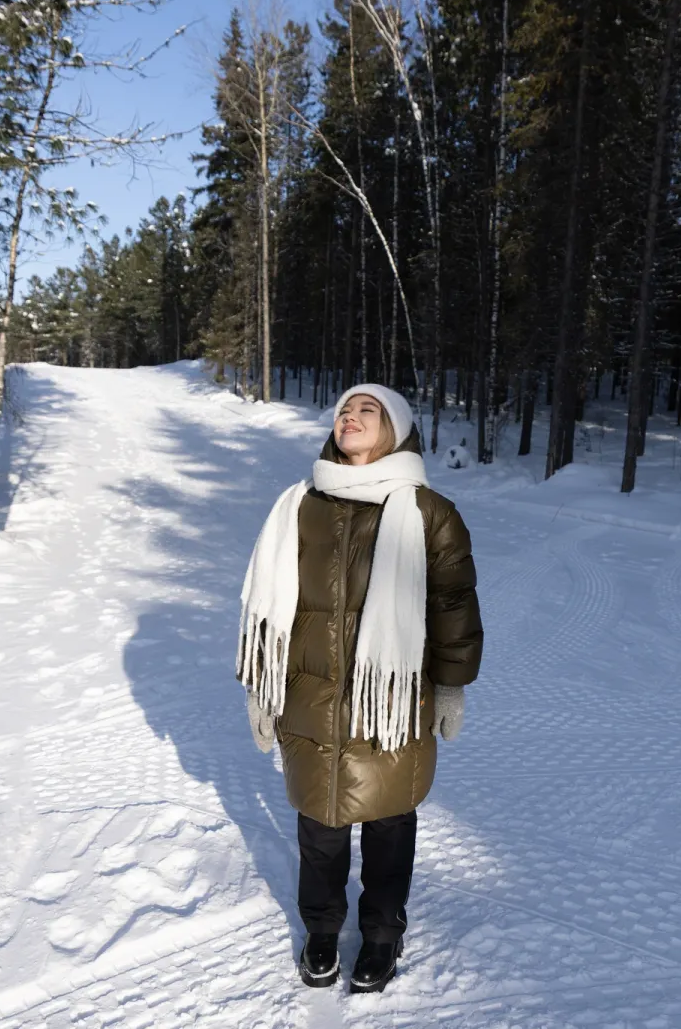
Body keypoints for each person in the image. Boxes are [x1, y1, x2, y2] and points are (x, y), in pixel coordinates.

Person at [236, 383, 483, 994]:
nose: (350, 416)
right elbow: (269, 610)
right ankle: (322, 929)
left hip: (392, 699)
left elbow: (453, 603)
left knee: (390, 823)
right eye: (345, 409)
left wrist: (451, 686)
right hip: (310, 693)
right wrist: (260, 688)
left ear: (394, 430)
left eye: (366, 410)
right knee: (319, 822)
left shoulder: (430, 512)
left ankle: (381, 933)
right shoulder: (299, 505)